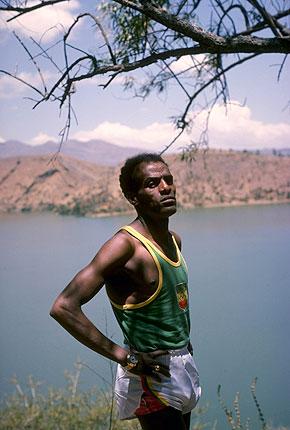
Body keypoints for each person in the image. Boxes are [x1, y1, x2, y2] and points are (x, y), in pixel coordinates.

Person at [50, 153, 201, 430]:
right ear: (133, 197)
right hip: (151, 375)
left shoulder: (173, 240)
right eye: (152, 183)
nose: (165, 187)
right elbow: (63, 306)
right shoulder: (125, 246)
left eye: (168, 179)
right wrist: (126, 358)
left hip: (181, 363)